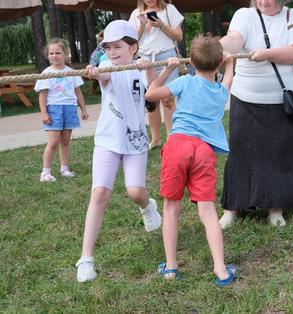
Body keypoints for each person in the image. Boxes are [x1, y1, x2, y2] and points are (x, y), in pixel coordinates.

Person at [218, 0, 293, 229]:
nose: (263, 1)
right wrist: (219, 48)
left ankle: (275, 208)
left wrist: (266, 54)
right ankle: (232, 208)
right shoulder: (244, 15)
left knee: (279, 154)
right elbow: (235, 39)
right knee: (241, 151)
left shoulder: (292, 16)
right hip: (245, 97)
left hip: (282, 99)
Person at [145, 36, 236, 286]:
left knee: (171, 208)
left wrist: (168, 69)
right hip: (204, 152)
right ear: (218, 63)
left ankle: (171, 267)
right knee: (207, 212)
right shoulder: (220, 91)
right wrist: (229, 64)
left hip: (177, 146)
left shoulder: (184, 81)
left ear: (192, 63)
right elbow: (228, 77)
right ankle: (221, 270)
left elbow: (151, 94)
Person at [76, 20, 162, 283]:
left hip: (135, 140)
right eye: (108, 47)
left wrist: (148, 72)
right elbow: (102, 75)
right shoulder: (107, 66)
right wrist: (93, 72)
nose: (112, 52)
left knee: (135, 192)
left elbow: (154, 96)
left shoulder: (140, 67)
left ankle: (148, 207)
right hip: (107, 140)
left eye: (118, 47)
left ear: (133, 47)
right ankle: (85, 258)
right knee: (100, 192)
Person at [128, 0, 184, 150]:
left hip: (167, 57)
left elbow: (178, 37)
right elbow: (131, 42)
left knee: (168, 99)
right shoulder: (136, 13)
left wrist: (162, 25)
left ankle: (171, 137)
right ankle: (155, 139)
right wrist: (142, 28)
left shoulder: (169, 10)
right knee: (151, 101)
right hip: (146, 59)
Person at [35, 38, 89, 182]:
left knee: (65, 141)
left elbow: (78, 93)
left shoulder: (71, 72)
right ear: (48, 56)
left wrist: (83, 109)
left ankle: (64, 169)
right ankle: (45, 172)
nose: (54, 56)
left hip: (69, 109)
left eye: (58, 53)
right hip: (54, 109)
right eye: (51, 53)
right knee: (53, 142)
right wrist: (44, 113)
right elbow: (42, 96)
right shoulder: (47, 73)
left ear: (65, 54)